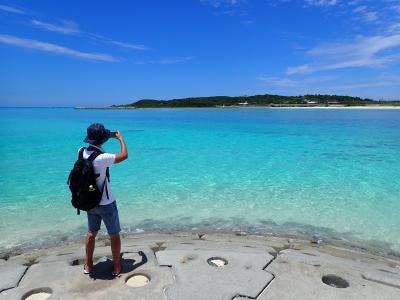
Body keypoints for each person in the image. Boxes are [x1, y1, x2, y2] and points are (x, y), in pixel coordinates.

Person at [81, 123, 128, 276]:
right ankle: (116, 266)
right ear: (103, 139)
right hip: (106, 202)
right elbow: (124, 155)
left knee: (91, 233)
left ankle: (88, 264)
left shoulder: (81, 151)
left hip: (89, 201)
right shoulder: (103, 158)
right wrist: (120, 139)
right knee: (114, 234)